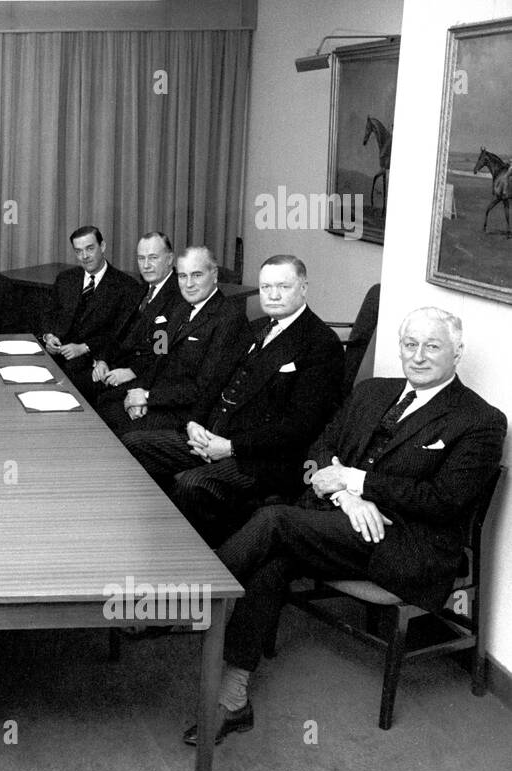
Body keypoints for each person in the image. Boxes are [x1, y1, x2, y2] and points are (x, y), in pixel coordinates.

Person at [184, 307, 506, 747]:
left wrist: (357, 481)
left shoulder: (480, 421)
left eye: (432, 346)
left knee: (275, 521)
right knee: (274, 556)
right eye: (410, 344)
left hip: (405, 542)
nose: (418, 356)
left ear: (457, 352)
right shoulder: (372, 392)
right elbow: (320, 452)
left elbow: (444, 502)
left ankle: (191, 598)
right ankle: (233, 697)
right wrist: (345, 496)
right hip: (341, 519)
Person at [123, 255, 344, 546]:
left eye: (283, 286)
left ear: (304, 288)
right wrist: (194, 423)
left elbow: (299, 427)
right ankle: (158, 535)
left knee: (193, 484)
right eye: (266, 287)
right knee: (133, 447)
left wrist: (229, 447)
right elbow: (214, 383)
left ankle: (212, 554)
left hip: (260, 458)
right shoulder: (257, 327)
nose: (273, 295)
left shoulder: (320, 344)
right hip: (212, 438)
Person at [96, 246, 249, 436]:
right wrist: (139, 391)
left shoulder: (229, 318)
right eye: (183, 276)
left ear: (214, 275)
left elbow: (204, 388)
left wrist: (147, 397)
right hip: (161, 397)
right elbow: (158, 357)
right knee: (104, 403)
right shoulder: (180, 309)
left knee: (120, 429)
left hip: (186, 413)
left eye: (197, 275)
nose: (189, 284)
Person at [40, 225, 143, 400]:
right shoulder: (66, 279)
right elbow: (48, 314)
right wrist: (48, 337)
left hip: (94, 361)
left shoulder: (126, 287)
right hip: (57, 356)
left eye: (90, 249)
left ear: (102, 247)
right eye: (79, 251)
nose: (85, 256)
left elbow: (120, 334)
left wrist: (84, 348)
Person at [90, 231, 185, 401]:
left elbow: (161, 350)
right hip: (118, 364)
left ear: (170, 259)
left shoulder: (179, 296)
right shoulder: (139, 290)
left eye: (153, 258)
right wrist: (102, 360)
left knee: (100, 401)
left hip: (147, 376)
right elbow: (116, 332)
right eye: (141, 258)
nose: (146, 265)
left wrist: (131, 372)